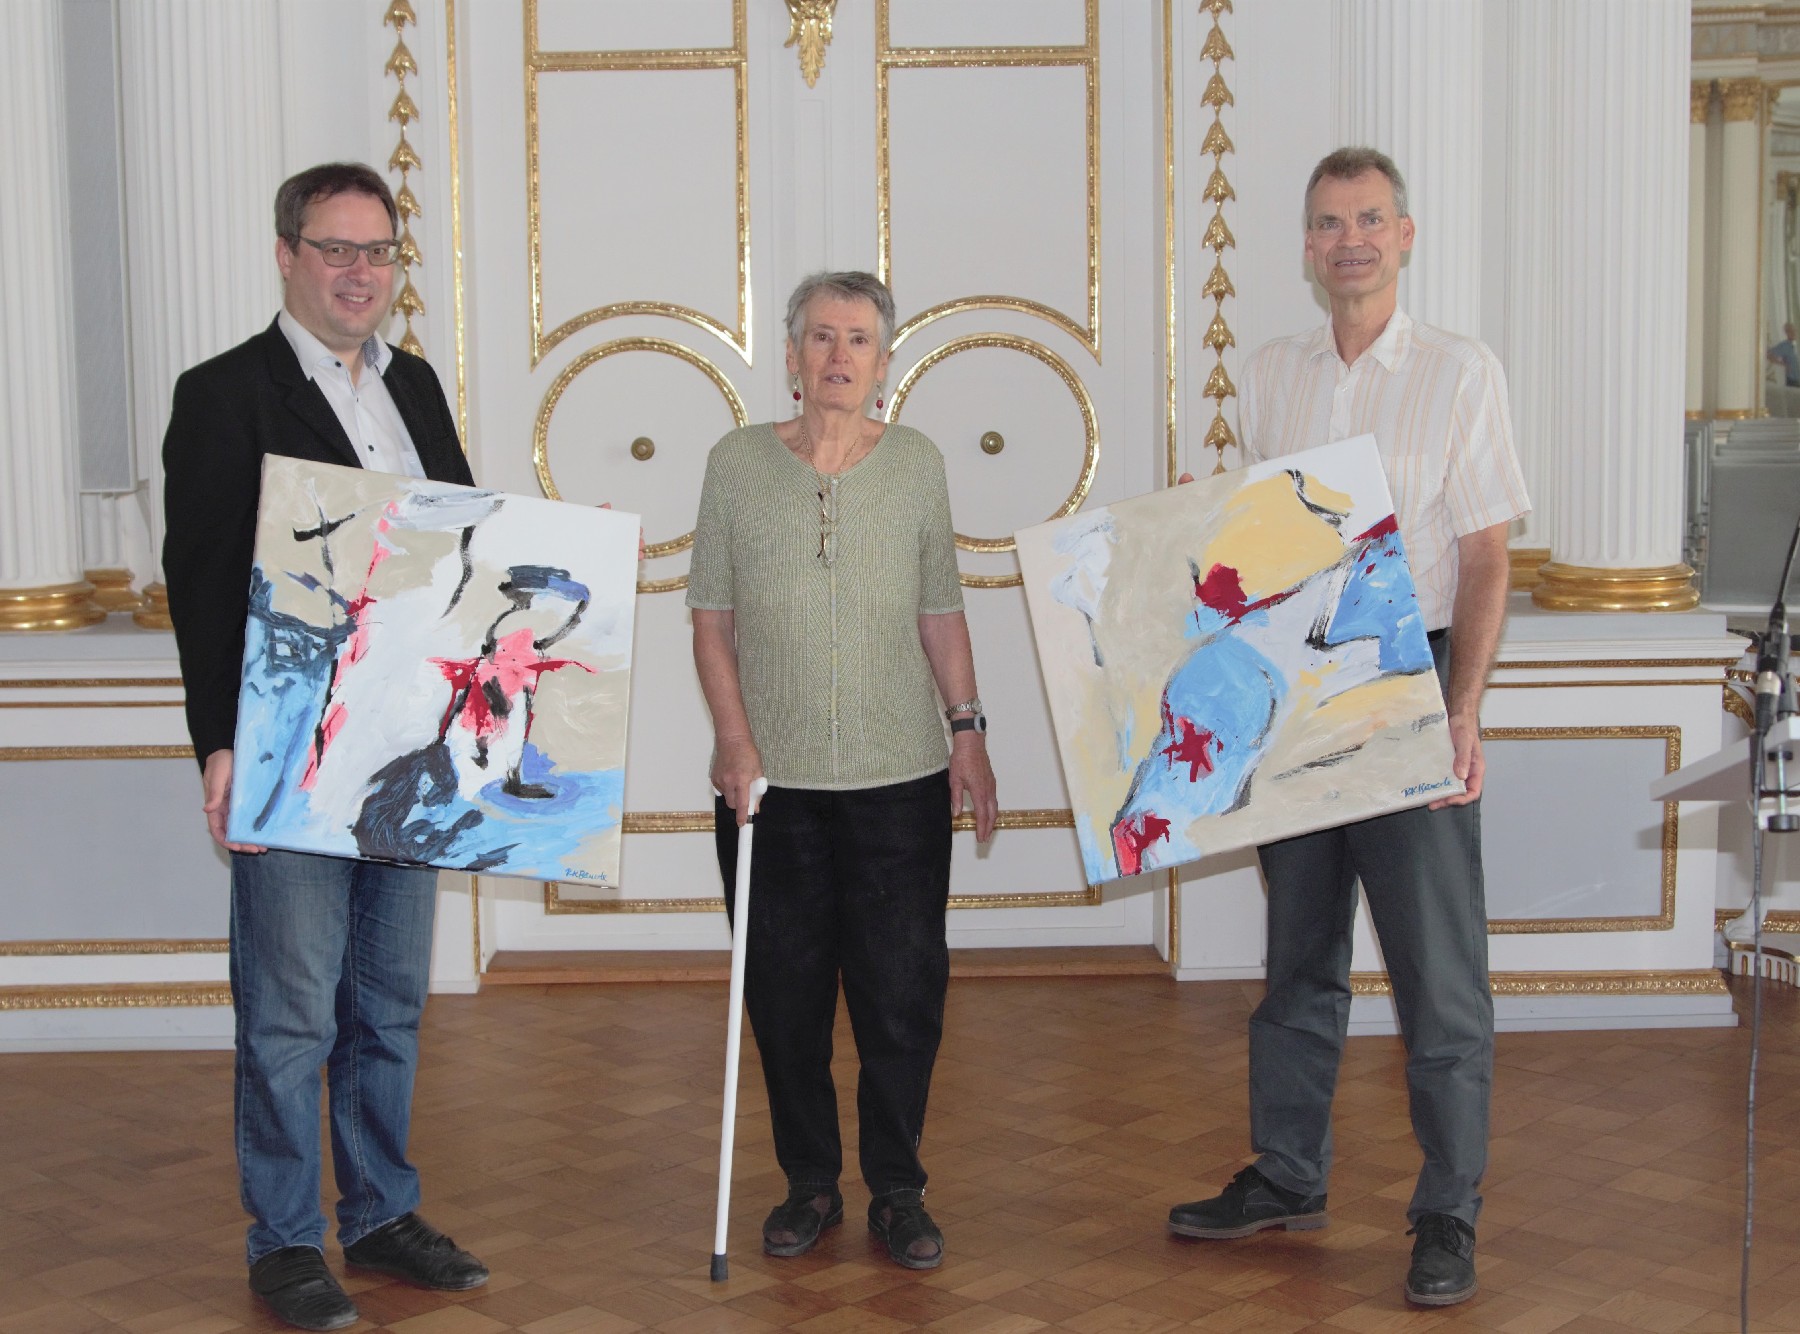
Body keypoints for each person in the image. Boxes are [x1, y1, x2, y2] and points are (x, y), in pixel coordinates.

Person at [1167, 147, 1529, 1308]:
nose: (1350, 241)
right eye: (1328, 223)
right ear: (1308, 245)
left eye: (1369, 219)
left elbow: (1484, 556)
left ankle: (1446, 1211)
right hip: (1300, 686)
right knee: (1300, 957)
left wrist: (1459, 708)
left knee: (1438, 974)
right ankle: (1285, 1170)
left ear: (1406, 234)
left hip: (1409, 678)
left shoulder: (1461, 373)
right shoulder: (1272, 372)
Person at [162, 162, 488, 1332]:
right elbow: (201, 583)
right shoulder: (224, 395)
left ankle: (384, 1212)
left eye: (379, 251)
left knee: (388, 998)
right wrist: (218, 743)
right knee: (292, 1007)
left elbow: (461, 549)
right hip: (291, 742)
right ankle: (287, 1238)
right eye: (337, 249)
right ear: (288, 255)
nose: (361, 272)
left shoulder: (417, 387)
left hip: (407, 743)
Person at [688, 271, 998, 1271]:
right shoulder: (735, 465)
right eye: (820, 336)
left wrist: (968, 728)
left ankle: (899, 1186)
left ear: (882, 358)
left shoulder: (915, 464)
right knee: (783, 994)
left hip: (898, 777)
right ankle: (810, 1181)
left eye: (858, 339)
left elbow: (940, 606)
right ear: (791, 354)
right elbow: (711, 617)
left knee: (902, 991)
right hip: (769, 788)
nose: (837, 356)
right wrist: (735, 741)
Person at [1768, 322, 1800, 387]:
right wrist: (1783, 364)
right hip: (1793, 381)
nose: (1793, 333)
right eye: (1790, 331)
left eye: (1794, 331)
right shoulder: (1784, 346)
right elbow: (1769, 354)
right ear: (1787, 333)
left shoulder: (1796, 345)